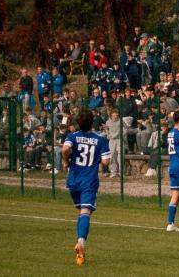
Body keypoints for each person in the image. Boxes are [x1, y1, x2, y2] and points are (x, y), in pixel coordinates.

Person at [62, 110, 111, 266]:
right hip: (89, 181)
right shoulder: (100, 140)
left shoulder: (72, 136)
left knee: (80, 212)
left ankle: (80, 251)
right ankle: (81, 242)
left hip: (73, 180)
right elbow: (105, 162)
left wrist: (66, 161)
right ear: (92, 122)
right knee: (85, 212)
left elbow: (64, 150)